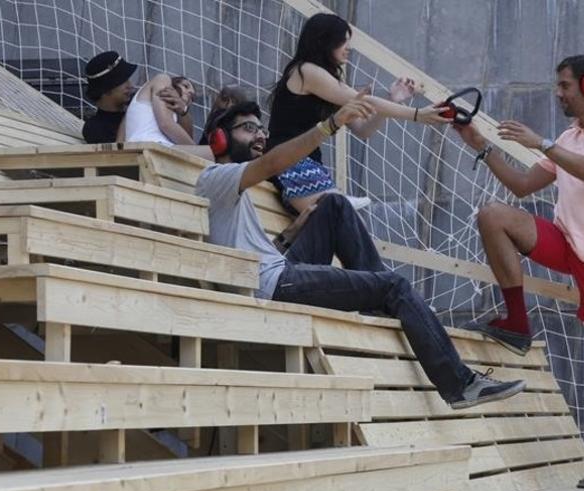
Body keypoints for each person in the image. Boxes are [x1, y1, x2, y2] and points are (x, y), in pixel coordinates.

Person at [195, 96, 525, 410]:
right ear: (220, 140)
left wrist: (290, 236)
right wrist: (331, 124)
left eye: (261, 128)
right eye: (248, 128)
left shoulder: (229, 191)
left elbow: (253, 251)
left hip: (275, 272)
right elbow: (273, 162)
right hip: (273, 286)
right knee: (395, 285)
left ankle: (381, 302)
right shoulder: (215, 178)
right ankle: (460, 385)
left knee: (334, 205)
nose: (260, 135)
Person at [452, 55, 584, 488]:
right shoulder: (569, 136)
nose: (559, 93)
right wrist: (477, 141)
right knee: (493, 216)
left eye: (565, 86)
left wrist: (542, 144)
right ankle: (517, 322)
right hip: (566, 240)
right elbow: (520, 186)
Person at [267, 12, 446, 220]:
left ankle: (333, 198)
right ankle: (333, 199)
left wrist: (393, 99)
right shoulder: (306, 71)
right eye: (343, 41)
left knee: (341, 221)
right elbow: (365, 102)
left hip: (309, 167)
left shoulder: (326, 84)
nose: (348, 48)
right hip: (287, 162)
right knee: (338, 218)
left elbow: (363, 130)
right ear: (324, 42)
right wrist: (417, 114)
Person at [80, 51, 185, 144]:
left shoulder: (142, 105)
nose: (130, 85)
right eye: (122, 81)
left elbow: (187, 137)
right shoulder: (95, 128)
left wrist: (183, 111)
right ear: (106, 90)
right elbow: (118, 157)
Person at [120, 73, 197, 146]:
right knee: (208, 152)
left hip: (158, 146)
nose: (189, 92)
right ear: (174, 82)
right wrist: (196, 150)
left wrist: (183, 111)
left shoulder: (176, 115)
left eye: (192, 98)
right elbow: (166, 124)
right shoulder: (162, 80)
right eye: (185, 86)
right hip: (149, 144)